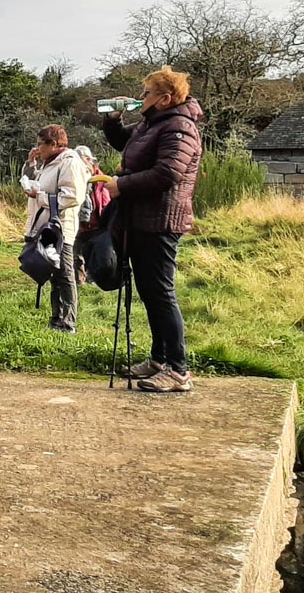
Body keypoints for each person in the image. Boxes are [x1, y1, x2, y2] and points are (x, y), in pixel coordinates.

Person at [103, 66, 204, 393]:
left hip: (161, 221)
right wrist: (113, 119)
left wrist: (121, 185)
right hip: (141, 219)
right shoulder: (153, 123)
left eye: (146, 93)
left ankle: (178, 371)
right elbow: (124, 142)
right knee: (150, 293)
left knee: (161, 293)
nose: (141, 97)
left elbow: (167, 174)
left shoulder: (179, 128)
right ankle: (159, 360)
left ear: (165, 98)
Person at [22, 126, 88, 334]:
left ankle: (69, 322)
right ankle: (56, 318)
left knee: (66, 274)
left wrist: (39, 197)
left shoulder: (69, 163)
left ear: (54, 144)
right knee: (53, 271)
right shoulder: (49, 163)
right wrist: (30, 164)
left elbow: (72, 196)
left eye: (41, 143)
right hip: (46, 226)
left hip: (61, 228)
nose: (38, 147)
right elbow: (40, 183)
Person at [72, 146, 111, 285]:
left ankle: (92, 280)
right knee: (76, 255)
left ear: (89, 160)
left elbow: (106, 201)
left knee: (94, 255)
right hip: (78, 225)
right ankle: (79, 282)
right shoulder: (73, 177)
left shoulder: (101, 178)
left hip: (97, 225)